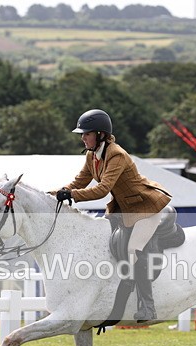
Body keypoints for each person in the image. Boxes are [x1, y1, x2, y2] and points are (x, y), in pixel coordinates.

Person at [52, 108, 172, 321]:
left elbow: (102, 189)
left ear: (100, 134)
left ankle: (147, 306)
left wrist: (71, 195)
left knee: (134, 249)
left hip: (145, 207)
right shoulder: (92, 156)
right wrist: (54, 194)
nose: (82, 138)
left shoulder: (116, 154)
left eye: (86, 134)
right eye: (82, 134)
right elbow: (78, 182)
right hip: (123, 210)